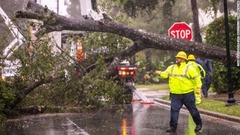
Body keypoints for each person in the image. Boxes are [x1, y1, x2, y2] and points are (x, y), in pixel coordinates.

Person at [155, 51, 202, 133]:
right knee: (174, 110)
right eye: (177, 57)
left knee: (192, 110)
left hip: (187, 93)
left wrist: (198, 87)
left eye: (179, 58)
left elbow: (197, 78)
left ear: (184, 59)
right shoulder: (172, 67)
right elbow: (166, 75)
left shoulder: (189, 68)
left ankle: (199, 124)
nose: (177, 59)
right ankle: (172, 127)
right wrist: (160, 73)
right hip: (175, 94)